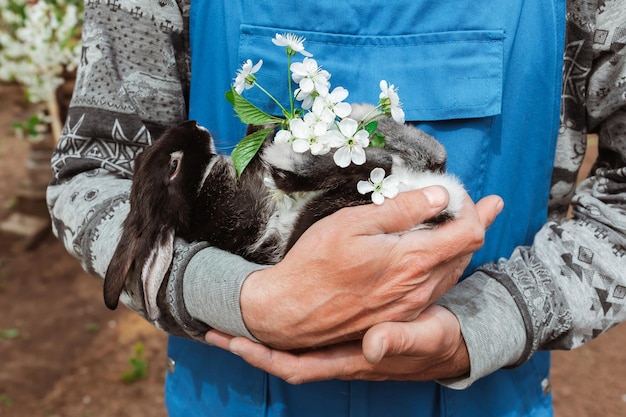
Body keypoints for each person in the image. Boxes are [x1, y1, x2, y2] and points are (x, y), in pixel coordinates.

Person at [46, 0, 625, 416]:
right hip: (234, 391)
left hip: (482, 398)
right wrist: (238, 297)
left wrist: (485, 322)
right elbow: (90, 174)